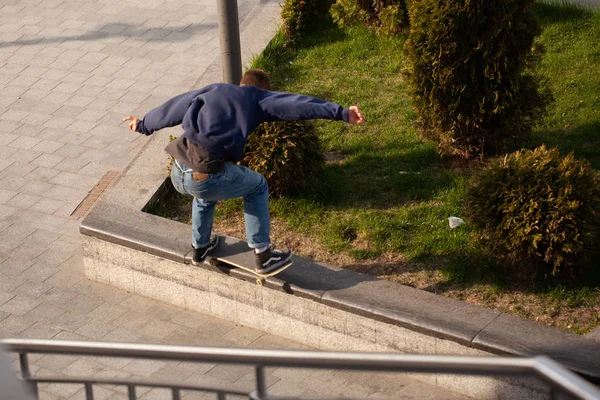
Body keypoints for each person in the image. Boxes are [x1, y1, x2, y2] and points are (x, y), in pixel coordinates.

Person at [124, 69, 365, 273]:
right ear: (264, 89)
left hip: (178, 171)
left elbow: (174, 106)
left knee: (206, 193)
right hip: (206, 175)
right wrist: (342, 112)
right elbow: (298, 104)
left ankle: (200, 246)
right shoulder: (258, 99)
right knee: (257, 185)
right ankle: (263, 254)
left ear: (240, 83)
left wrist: (143, 124)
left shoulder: (213, 90)